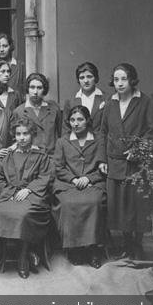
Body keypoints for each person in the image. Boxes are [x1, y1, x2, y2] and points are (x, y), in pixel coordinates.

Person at [100, 63, 153, 259]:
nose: (120, 83)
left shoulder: (145, 101)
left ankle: (138, 244)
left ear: (132, 80)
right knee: (120, 206)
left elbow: (151, 130)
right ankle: (126, 243)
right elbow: (103, 132)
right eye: (116, 79)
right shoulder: (110, 103)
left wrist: (138, 149)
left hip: (138, 164)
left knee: (138, 205)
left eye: (124, 79)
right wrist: (102, 159)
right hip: (115, 162)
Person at [0, 118, 52, 279]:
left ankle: (23, 256)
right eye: (18, 134)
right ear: (14, 136)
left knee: (24, 214)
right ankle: (6, 253)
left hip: (33, 196)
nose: (22, 138)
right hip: (9, 196)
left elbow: (45, 177)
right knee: (0, 211)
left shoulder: (41, 155)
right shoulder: (7, 156)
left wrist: (28, 190)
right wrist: (9, 193)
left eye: (25, 133)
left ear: (32, 134)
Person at [53, 106, 106, 268]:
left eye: (80, 119)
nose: (76, 123)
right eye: (73, 120)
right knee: (69, 204)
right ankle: (74, 248)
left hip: (93, 183)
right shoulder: (62, 141)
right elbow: (59, 168)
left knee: (94, 203)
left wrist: (89, 178)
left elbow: (103, 166)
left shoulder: (99, 139)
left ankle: (93, 249)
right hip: (68, 183)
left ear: (88, 120)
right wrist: (74, 179)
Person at [12, 73, 61, 155]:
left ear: (44, 89)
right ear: (27, 89)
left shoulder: (54, 109)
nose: (35, 92)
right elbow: (16, 140)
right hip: (29, 158)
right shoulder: (19, 111)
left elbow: (60, 134)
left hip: (51, 157)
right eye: (32, 87)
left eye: (39, 88)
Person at [62, 62, 106, 134]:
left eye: (89, 76)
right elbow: (65, 129)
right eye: (82, 77)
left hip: (100, 142)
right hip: (77, 143)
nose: (86, 81)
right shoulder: (70, 101)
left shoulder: (106, 98)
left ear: (96, 78)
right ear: (78, 80)